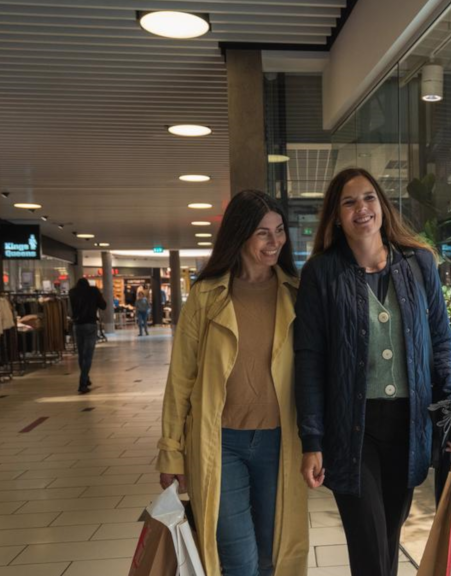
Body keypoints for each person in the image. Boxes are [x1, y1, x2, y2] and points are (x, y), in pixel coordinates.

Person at [295, 168, 451, 576]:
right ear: (336, 215)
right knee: (369, 549)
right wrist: (311, 440)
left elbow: (441, 343)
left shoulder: (418, 264)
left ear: (381, 206)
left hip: (408, 426)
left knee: (386, 541)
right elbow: (309, 358)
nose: (361, 209)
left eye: (368, 198)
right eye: (349, 202)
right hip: (353, 429)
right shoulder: (321, 274)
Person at [158, 190, 308, 576]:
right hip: (221, 444)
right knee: (238, 560)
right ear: (240, 235)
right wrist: (171, 452)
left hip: (280, 441)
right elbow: (181, 381)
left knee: (274, 553)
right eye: (262, 233)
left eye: (279, 231)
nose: (275, 242)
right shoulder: (207, 296)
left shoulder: (297, 293)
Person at [68, 277, 106, 394]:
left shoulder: (72, 292)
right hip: (90, 324)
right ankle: (83, 383)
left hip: (78, 325)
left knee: (81, 354)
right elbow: (103, 305)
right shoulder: (93, 291)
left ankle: (86, 377)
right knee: (88, 355)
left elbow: (71, 309)